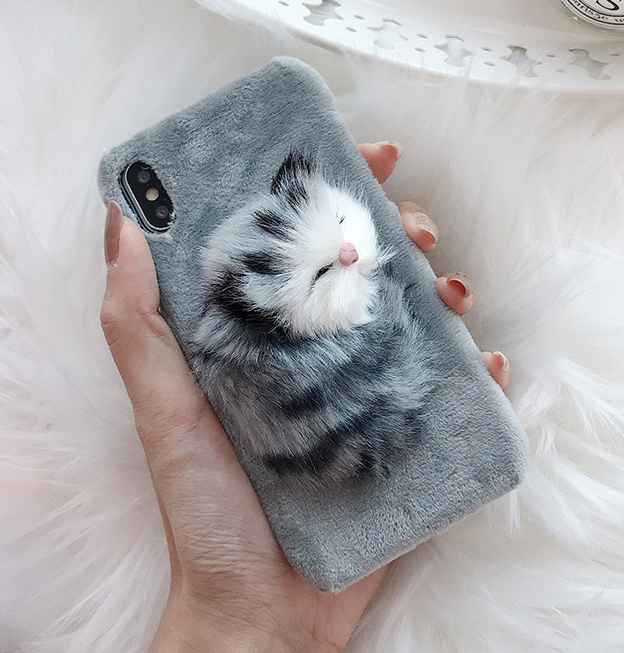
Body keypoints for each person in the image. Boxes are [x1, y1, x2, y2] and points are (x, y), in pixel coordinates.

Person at [101, 142, 511, 653]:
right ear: (261, 315)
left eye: (339, 221)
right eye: (319, 273)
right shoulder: (276, 339)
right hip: (356, 416)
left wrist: (241, 628)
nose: (349, 252)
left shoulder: (281, 316)